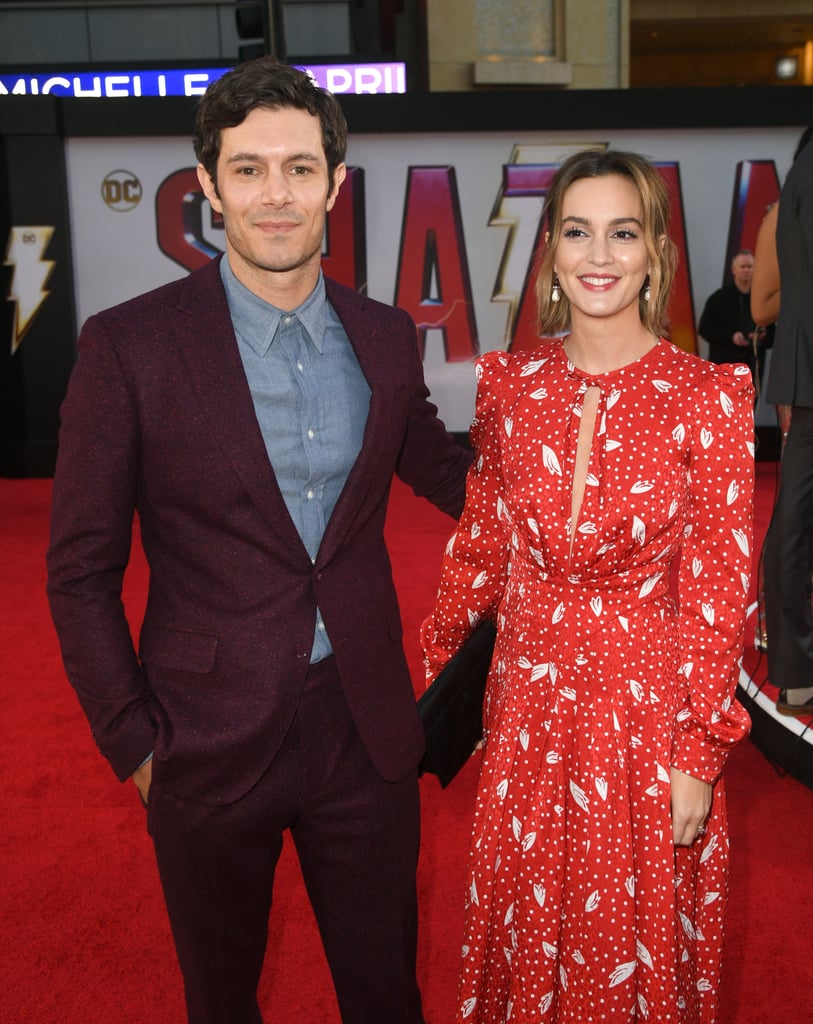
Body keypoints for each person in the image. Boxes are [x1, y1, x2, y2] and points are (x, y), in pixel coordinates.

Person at [46, 56, 472, 1024]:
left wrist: (597, 493)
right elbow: (78, 569)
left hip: (363, 729)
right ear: (208, 185)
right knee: (222, 1000)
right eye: (248, 169)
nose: (275, 195)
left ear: (335, 183)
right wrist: (136, 742)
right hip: (201, 735)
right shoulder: (132, 345)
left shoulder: (383, 334)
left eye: (298, 168)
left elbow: (449, 477)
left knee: (384, 994)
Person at [421, 149, 754, 1023]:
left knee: (624, 952)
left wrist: (698, 752)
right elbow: (479, 549)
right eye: (576, 231)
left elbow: (718, 587)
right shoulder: (510, 385)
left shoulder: (706, 398)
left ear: (654, 255)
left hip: (643, 718)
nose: (597, 253)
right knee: (527, 929)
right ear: (551, 252)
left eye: (622, 231)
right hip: (526, 710)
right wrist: (433, 688)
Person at [762, 129, 813, 717]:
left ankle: (797, 672)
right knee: (794, 528)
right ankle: (797, 669)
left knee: (793, 524)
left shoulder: (800, 173)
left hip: (804, 373)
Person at [698, 249, 773, 395]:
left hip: (753, 367)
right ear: (733, 270)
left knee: (749, 409)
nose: (746, 270)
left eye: (750, 267)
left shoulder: (762, 301)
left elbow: (773, 334)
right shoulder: (719, 298)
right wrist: (731, 337)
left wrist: (762, 337)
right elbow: (704, 329)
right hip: (725, 365)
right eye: (743, 267)